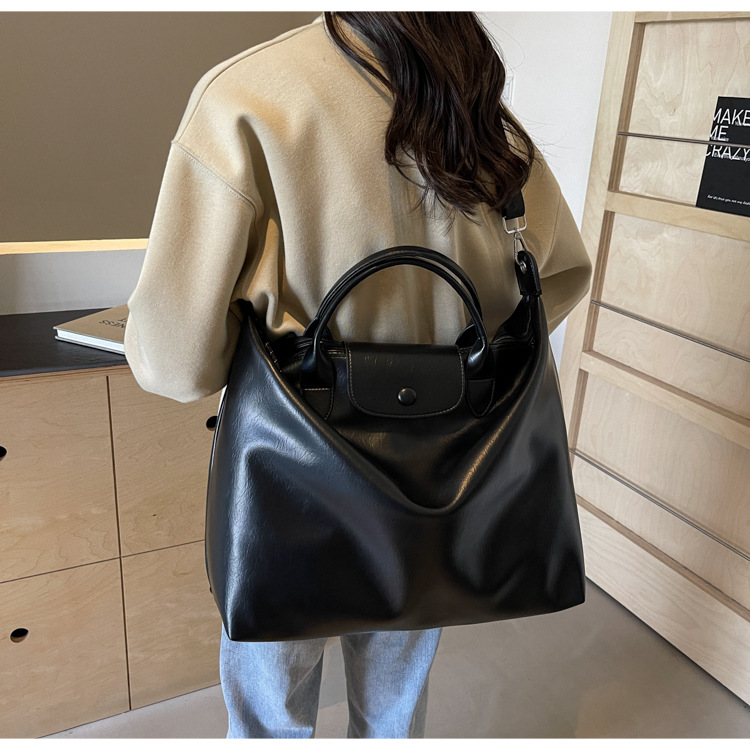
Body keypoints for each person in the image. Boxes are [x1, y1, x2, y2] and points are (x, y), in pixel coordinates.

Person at [123, 12, 592, 739]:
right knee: (395, 702)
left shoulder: (248, 98)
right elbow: (556, 278)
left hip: (294, 472)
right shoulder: (477, 109)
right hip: (443, 470)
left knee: (272, 710)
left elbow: (174, 364)